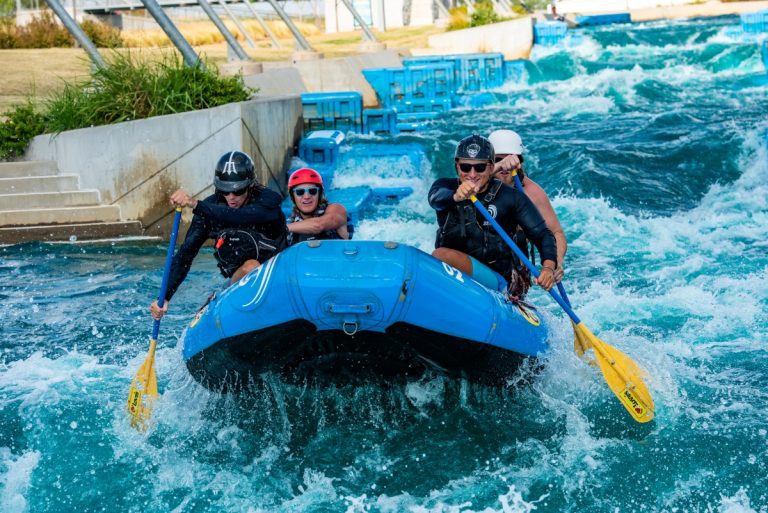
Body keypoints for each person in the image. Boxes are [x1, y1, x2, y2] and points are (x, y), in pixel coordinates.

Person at [150, 150, 287, 320]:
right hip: (244, 276)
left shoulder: (268, 200)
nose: (231, 197)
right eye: (225, 191)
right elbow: (185, 255)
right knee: (252, 266)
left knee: (255, 266)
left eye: (238, 191)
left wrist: (195, 204)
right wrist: (164, 298)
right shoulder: (209, 209)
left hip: (280, 274)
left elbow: (242, 217)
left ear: (250, 185)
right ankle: (224, 295)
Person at [428, 134, 558, 299]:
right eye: (466, 167)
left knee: (441, 256)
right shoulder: (444, 187)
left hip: (501, 281)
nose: (472, 174)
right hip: (460, 273)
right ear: (457, 167)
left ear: (490, 168)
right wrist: (456, 196)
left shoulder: (512, 197)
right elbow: (435, 199)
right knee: (438, 257)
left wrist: (548, 268)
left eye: (480, 168)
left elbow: (543, 235)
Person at [488, 129, 567, 283]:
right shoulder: (477, 186)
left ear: (520, 162)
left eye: (512, 159)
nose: (505, 166)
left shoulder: (532, 193)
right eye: (499, 159)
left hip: (512, 273)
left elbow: (556, 232)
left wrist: (555, 262)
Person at [286, 167, 351, 244]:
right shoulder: (290, 224)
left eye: (312, 191)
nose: (306, 196)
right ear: (293, 197)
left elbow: (318, 225)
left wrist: (283, 228)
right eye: (300, 192)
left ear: (319, 194)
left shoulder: (337, 210)